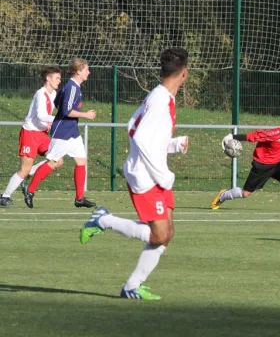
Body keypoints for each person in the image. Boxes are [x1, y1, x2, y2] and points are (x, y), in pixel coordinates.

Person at [79, 48, 189, 300]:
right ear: (184, 73)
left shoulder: (159, 96)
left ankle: (132, 286)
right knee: (160, 234)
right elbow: (140, 136)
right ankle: (102, 220)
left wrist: (173, 144)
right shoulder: (161, 100)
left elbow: (133, 127)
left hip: (153, 172)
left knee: (166, 234)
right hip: (146, 176)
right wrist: (163, 174)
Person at [22, 58, 97, 208]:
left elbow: (57, 102)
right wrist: (86, 115)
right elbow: (66, 110)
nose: (89, 72)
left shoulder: (72, 86)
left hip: (72, 131)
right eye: (86, 69)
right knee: (53, 162)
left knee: (81, 161)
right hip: (63, 131)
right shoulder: (72, 87)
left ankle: (79, 198)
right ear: (78, 71)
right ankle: (29, 190)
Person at [211, 111, 280, 213]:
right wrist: (232, 137)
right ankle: (223, 196)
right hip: (263, 164)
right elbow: (256, 136)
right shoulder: (276, 134)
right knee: (245, 193)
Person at [0, 68, 65, 207]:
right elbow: (41, 115)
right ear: (48, 78)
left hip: (41, 134)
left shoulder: (54, 94)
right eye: (57, 78)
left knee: (58, 159)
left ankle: (28, 176)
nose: (59, 81)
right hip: (30, 133)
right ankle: (4, 197)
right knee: (24, 168)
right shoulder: (40, 94)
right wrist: (58, 119)